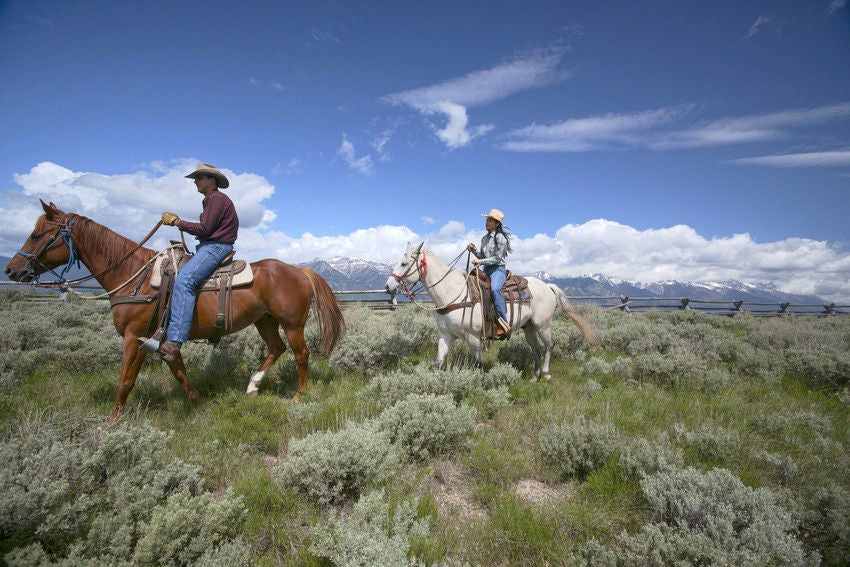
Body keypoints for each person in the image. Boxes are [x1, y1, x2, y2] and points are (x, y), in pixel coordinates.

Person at [143, 162, 240, 362]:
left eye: (199, 178)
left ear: (211, 181)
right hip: (210, 246)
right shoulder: (212, 199)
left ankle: (175, 340)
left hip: (216, 246)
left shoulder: (216, 199)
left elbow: (205, 229)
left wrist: (177, 222)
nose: (195, 182)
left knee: (185, 281)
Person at [467, 208, 512, 337]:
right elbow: (482, 255)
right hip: (486, 269)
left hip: (497, 269)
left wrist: (479, 262)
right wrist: (474, 251)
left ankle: (503, 323)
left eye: (490, 220)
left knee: (494, 289)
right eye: (487, 219)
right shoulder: (484, 238)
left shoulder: (501, 238)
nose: (487, 222)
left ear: (497, 224)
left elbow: (497, 258)